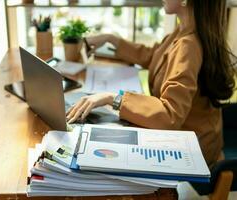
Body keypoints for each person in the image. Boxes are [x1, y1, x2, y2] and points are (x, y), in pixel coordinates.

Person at [66, 0, 236, 167]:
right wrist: (111, 39)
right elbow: (154, 56)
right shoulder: (185, 31)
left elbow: (170, 115)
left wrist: (113, 99)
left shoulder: (189, 45)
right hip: (198, 137)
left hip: (193, 150)